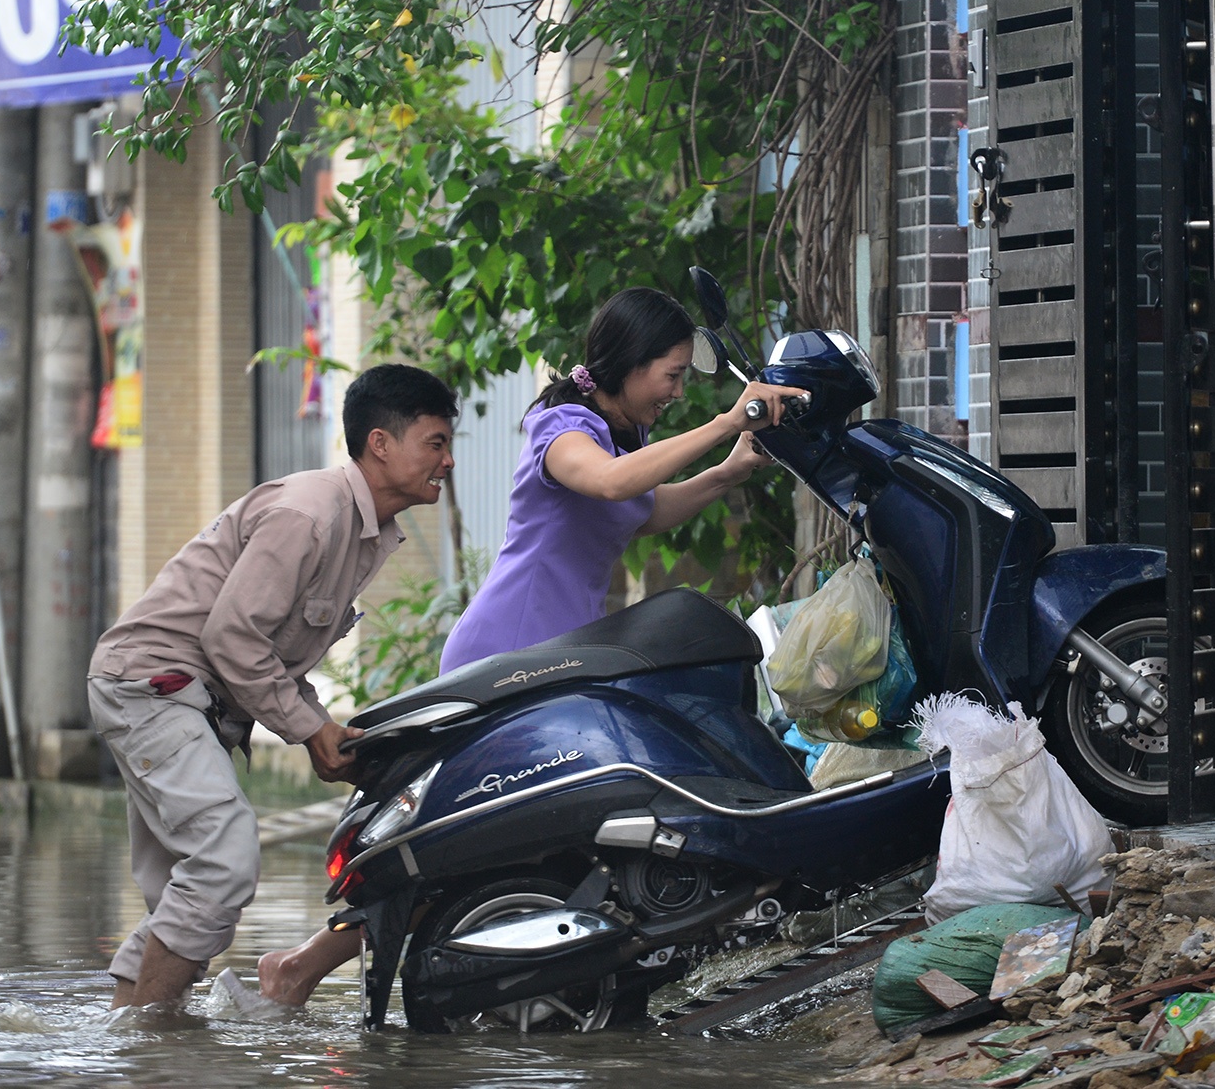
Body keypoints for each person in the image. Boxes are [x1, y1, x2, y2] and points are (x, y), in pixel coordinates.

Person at [255, 286, 802, 1005]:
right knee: (478, 838)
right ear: (632, 365)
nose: (675, 390)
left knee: (493, 843)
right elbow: (609, 487)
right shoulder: (564, 427)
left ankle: (300, 967)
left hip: (555, 662)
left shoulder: (615, 437)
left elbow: (641, 510)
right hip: (508, 653)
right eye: (670, 375)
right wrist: (728, 420)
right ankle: (303, 966)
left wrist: (727, 470)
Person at [87, 363, 458, 1010]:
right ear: (381, 443)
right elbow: (231, 639)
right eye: (435, 443)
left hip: (181, 699)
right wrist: (310, 729)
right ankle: (150, 1045)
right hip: (155, 684)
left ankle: (133, 1053)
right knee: (223, 862)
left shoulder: (364, 532)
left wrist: (327, 729)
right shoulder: (310, 515)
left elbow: (271, 657)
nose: (447, 462)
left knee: (191, 884)